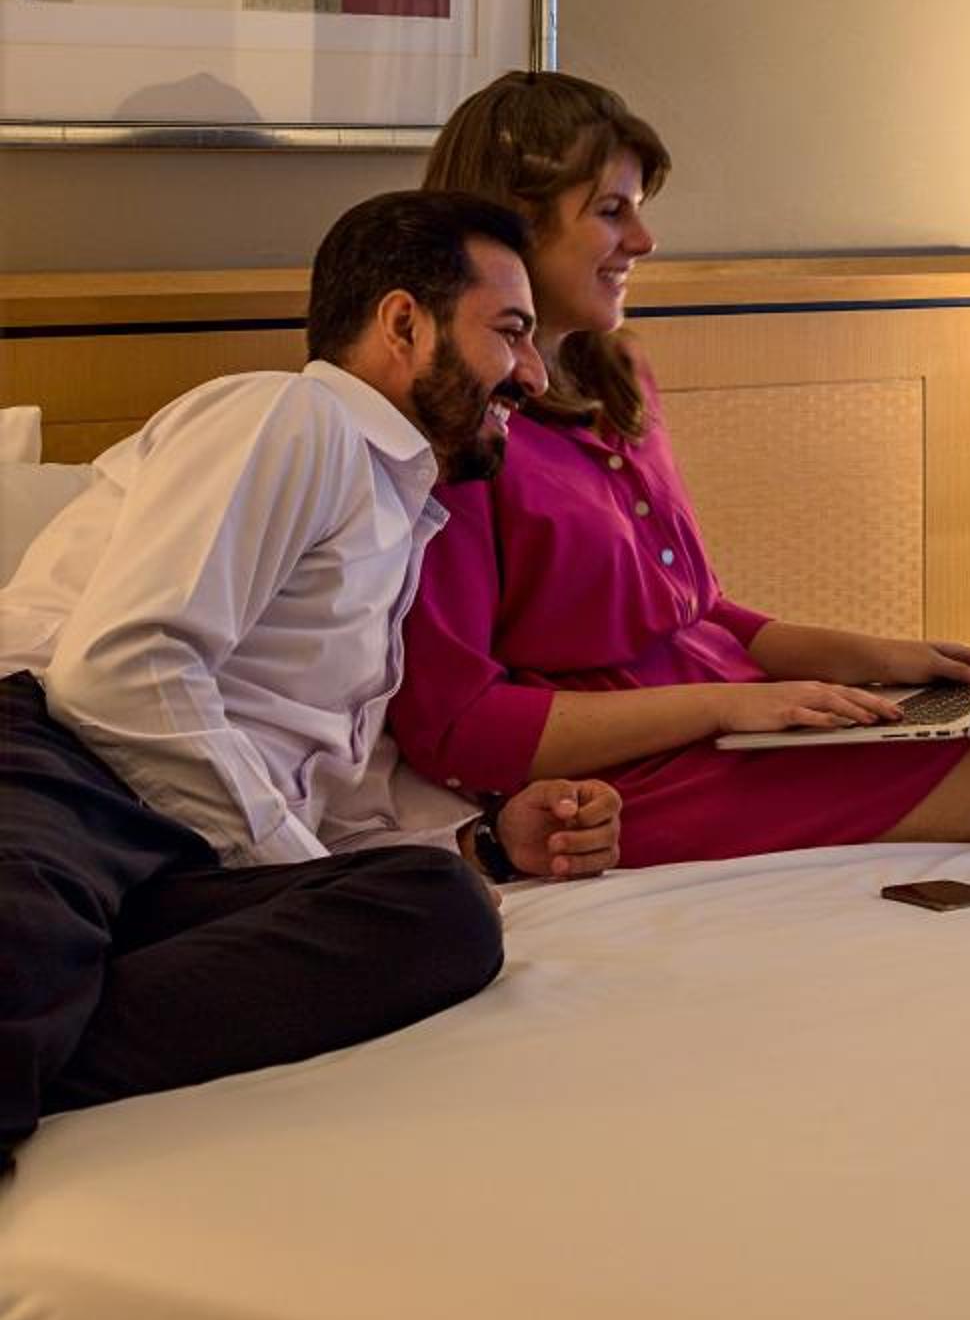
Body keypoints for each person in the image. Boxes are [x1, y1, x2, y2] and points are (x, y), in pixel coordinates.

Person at [388, 72, 970, 866]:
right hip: (638, 785)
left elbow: (695, 618)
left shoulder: (615, 378)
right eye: (610, 212)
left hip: (736, 731)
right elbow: (458, 727)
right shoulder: (460, 436)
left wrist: (882, 658)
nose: (644, 241)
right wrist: (725, 709)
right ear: (513, 226)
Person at [0, 191, 626, 1162]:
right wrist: (292, 871)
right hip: (50, 766)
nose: (535, 375)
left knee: (441, 912)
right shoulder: (294, 418)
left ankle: (49, 1046)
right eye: (510, 332)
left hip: (170, 851)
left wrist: (486, 842)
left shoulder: (399, 520)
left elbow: (305, 793)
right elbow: (124, 670)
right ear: (404, 323)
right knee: (20, 941)